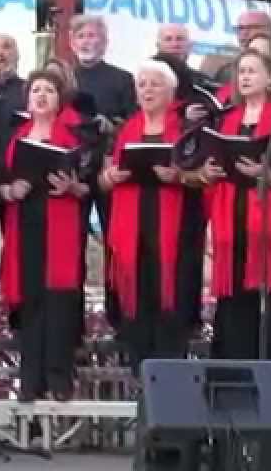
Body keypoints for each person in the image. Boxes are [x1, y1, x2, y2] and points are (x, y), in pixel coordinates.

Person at [194, 49, 271, 360]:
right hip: (232, 216)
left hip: (269, 219)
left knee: (269, 297)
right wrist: (208, 172)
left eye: (252, 71)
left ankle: (270, 365)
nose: (244, 77)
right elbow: (208, 166)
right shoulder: (227, 120)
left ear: (270, 79)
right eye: (241, 72)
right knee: (234, 297)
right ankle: (232, 364)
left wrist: (267, 175)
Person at [99, 60, 204, 369]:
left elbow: (205, 178)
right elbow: (103, 180)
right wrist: (109, 178)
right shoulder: (125, 129)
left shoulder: (187, 130)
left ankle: (171, 378)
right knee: (136, 305)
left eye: (154, 84)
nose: (147, 90)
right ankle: (139, 376)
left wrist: (179, 177)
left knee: (170, 303)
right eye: (142, 84)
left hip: (176, 232)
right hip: (132, 232)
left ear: (171, 91)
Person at [0, 70, 92, 402]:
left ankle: (58, 378)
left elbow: (87, 187)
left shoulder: (73, 137)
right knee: (31, 301)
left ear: (59, 100)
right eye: (35, 90)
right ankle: (30, 379)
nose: (41, 96)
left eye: (48, 91)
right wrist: (11, 190)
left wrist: (71, 187)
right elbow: (1, 184)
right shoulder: (15, 137)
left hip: (60, 224)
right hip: (25, 223)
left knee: (59, 302)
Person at [69, 15, 136, 131]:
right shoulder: (65, 78)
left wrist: (111, 125)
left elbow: (132, 120)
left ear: (104, 42)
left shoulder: (123, 79)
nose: (85, 42)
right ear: (73, 44)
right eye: (80, 36)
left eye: (91, 36)